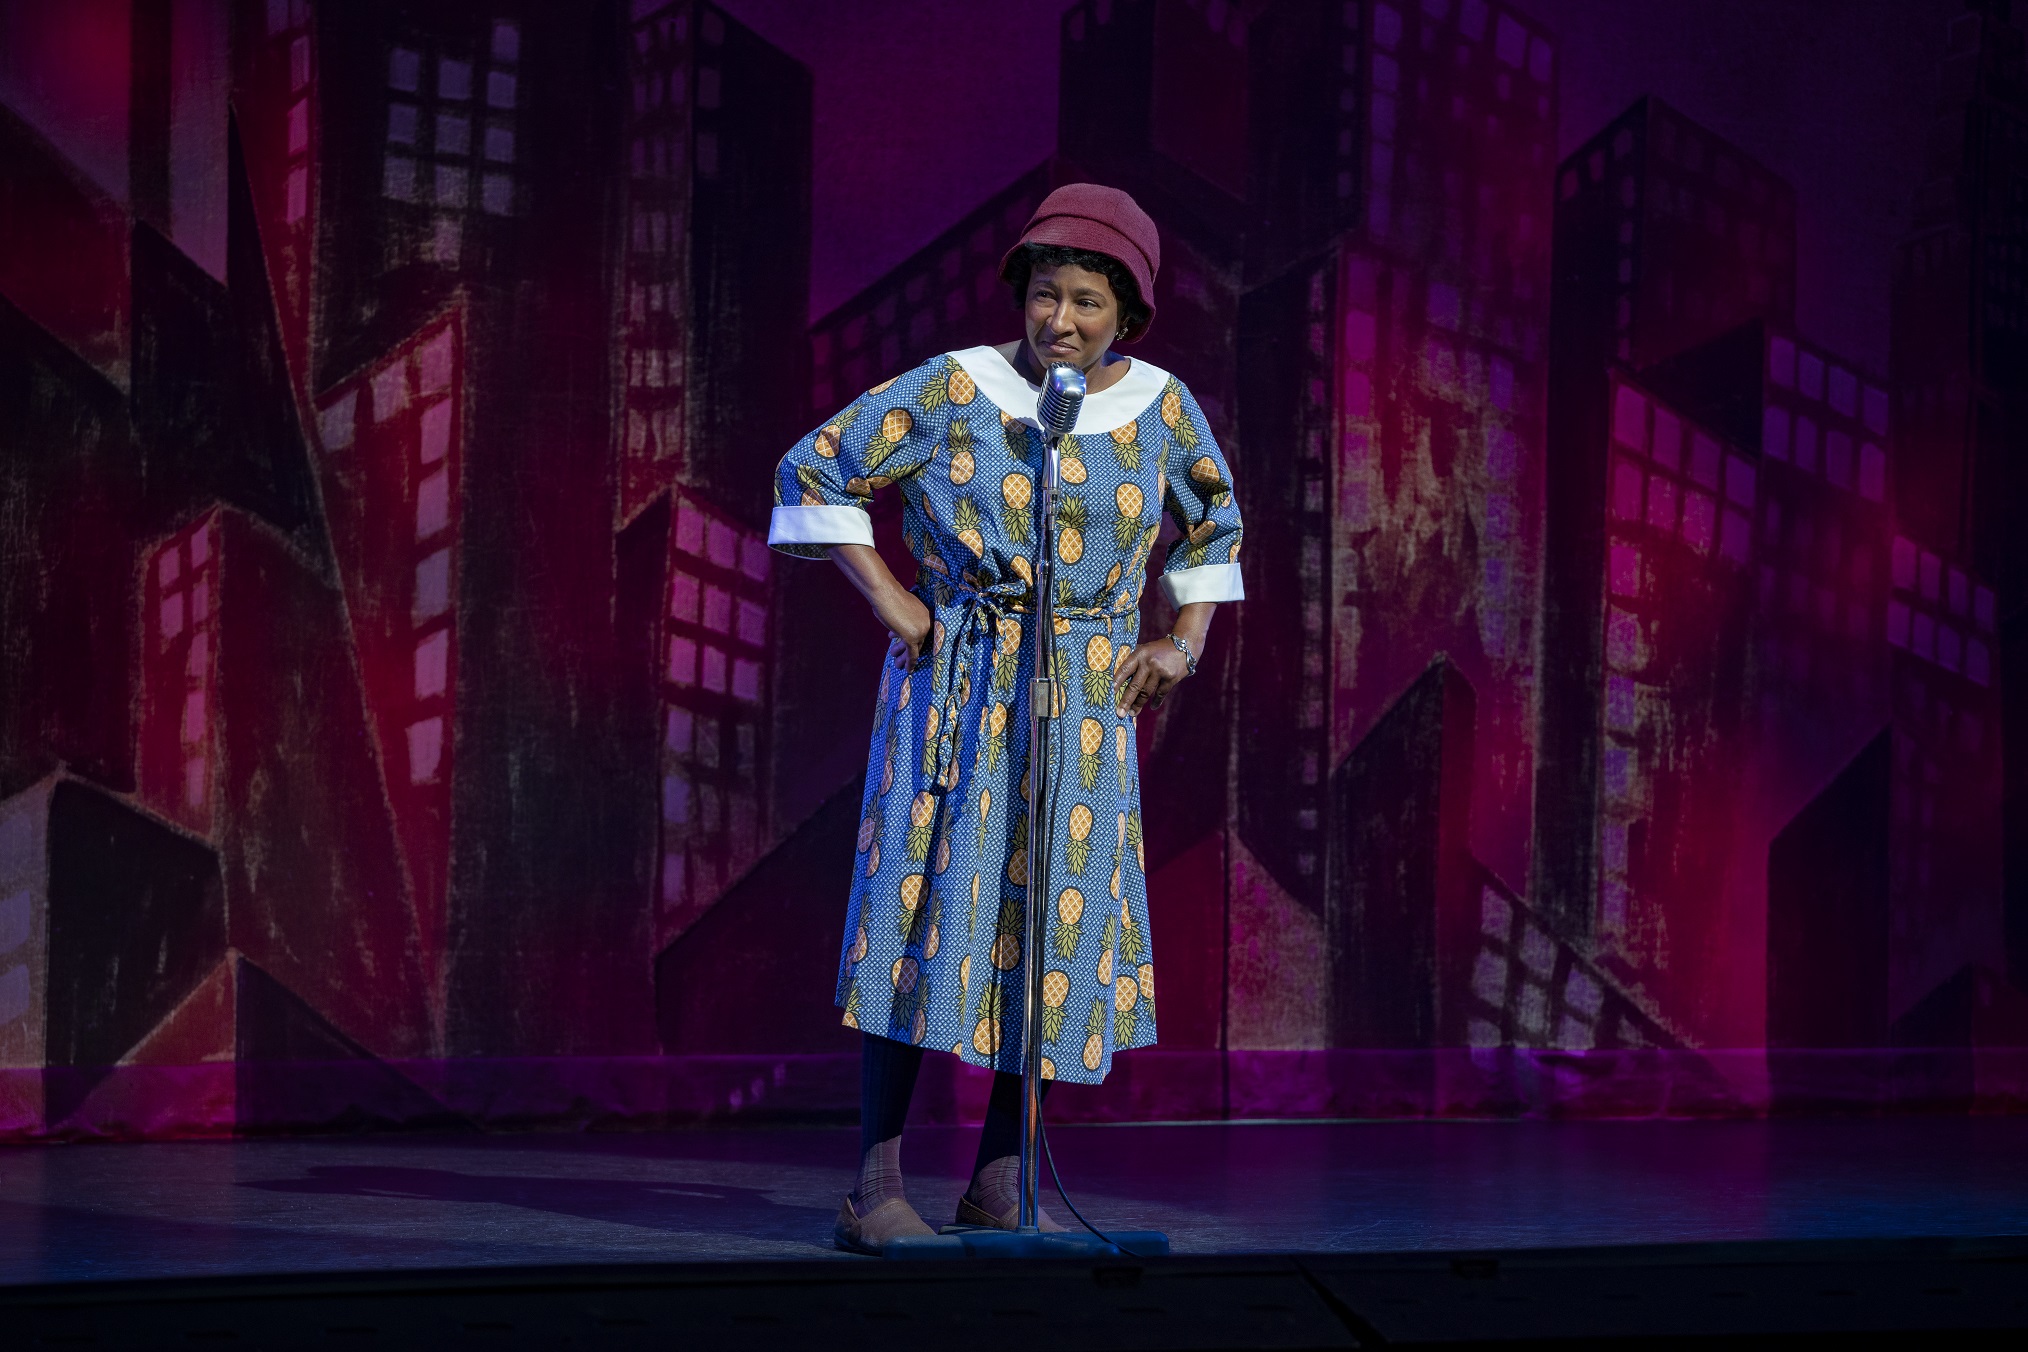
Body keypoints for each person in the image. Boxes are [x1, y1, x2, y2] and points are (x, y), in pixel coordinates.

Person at [768, 183, 1245, 1255]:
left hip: (1085, 706)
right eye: (1043, 294)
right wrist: (893, 599)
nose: (1059, 320)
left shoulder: (1161, 408)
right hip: (960, 687)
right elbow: (815, 466)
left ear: (1128, 312)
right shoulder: (956, 387)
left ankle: (1000, 1179)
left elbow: (1215, 523)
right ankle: (873, 1187)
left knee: (1056, 927)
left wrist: (1182, 642)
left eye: (1085, 301)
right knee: (919, 907)